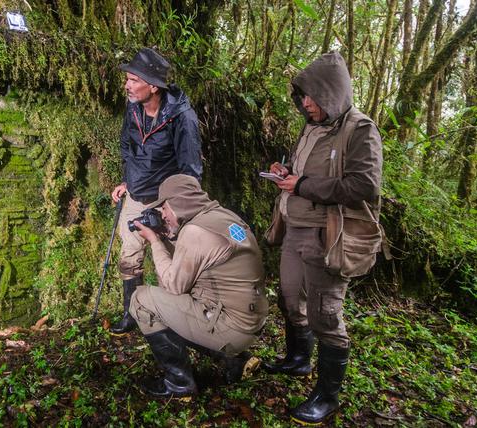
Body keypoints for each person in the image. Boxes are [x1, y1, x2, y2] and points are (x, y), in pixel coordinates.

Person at [264, 52, 383, 424]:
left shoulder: (360, 129)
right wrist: (286, 171)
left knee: (324, 314)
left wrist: (302, 185)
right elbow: (303, 171)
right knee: (290, 298)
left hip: (327, 235)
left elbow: (364, 185)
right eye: (302, 96)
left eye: (312, 97)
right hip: (294, 228)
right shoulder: (311, 126)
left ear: (332, 93)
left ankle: (327, 397)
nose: (305, 103)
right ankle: (298, 359)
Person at [128, 174, 267, 398]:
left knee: (141, 300)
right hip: (250, 321)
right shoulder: (223, 216)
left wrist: (155, 241)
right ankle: (233, 360)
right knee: (172, 306)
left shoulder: (195, 232)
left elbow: (172, 287)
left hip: (232, 328)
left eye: (164, 208)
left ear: (176, 204)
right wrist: (169, 237)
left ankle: (178, 384)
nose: (163, 215)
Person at [109, 48, 203, 335]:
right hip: (136, 196)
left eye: (134, 80)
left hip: (166, 200)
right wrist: (128, 180)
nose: (127, 85)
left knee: (171, 263)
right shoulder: (133, 108)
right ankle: (131, 314)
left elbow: (190, 170)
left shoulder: (182, 118)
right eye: (127, 79)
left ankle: (177, 321)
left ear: (153, 86)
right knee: (129, 256)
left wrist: (176, 208)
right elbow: (127, 147)